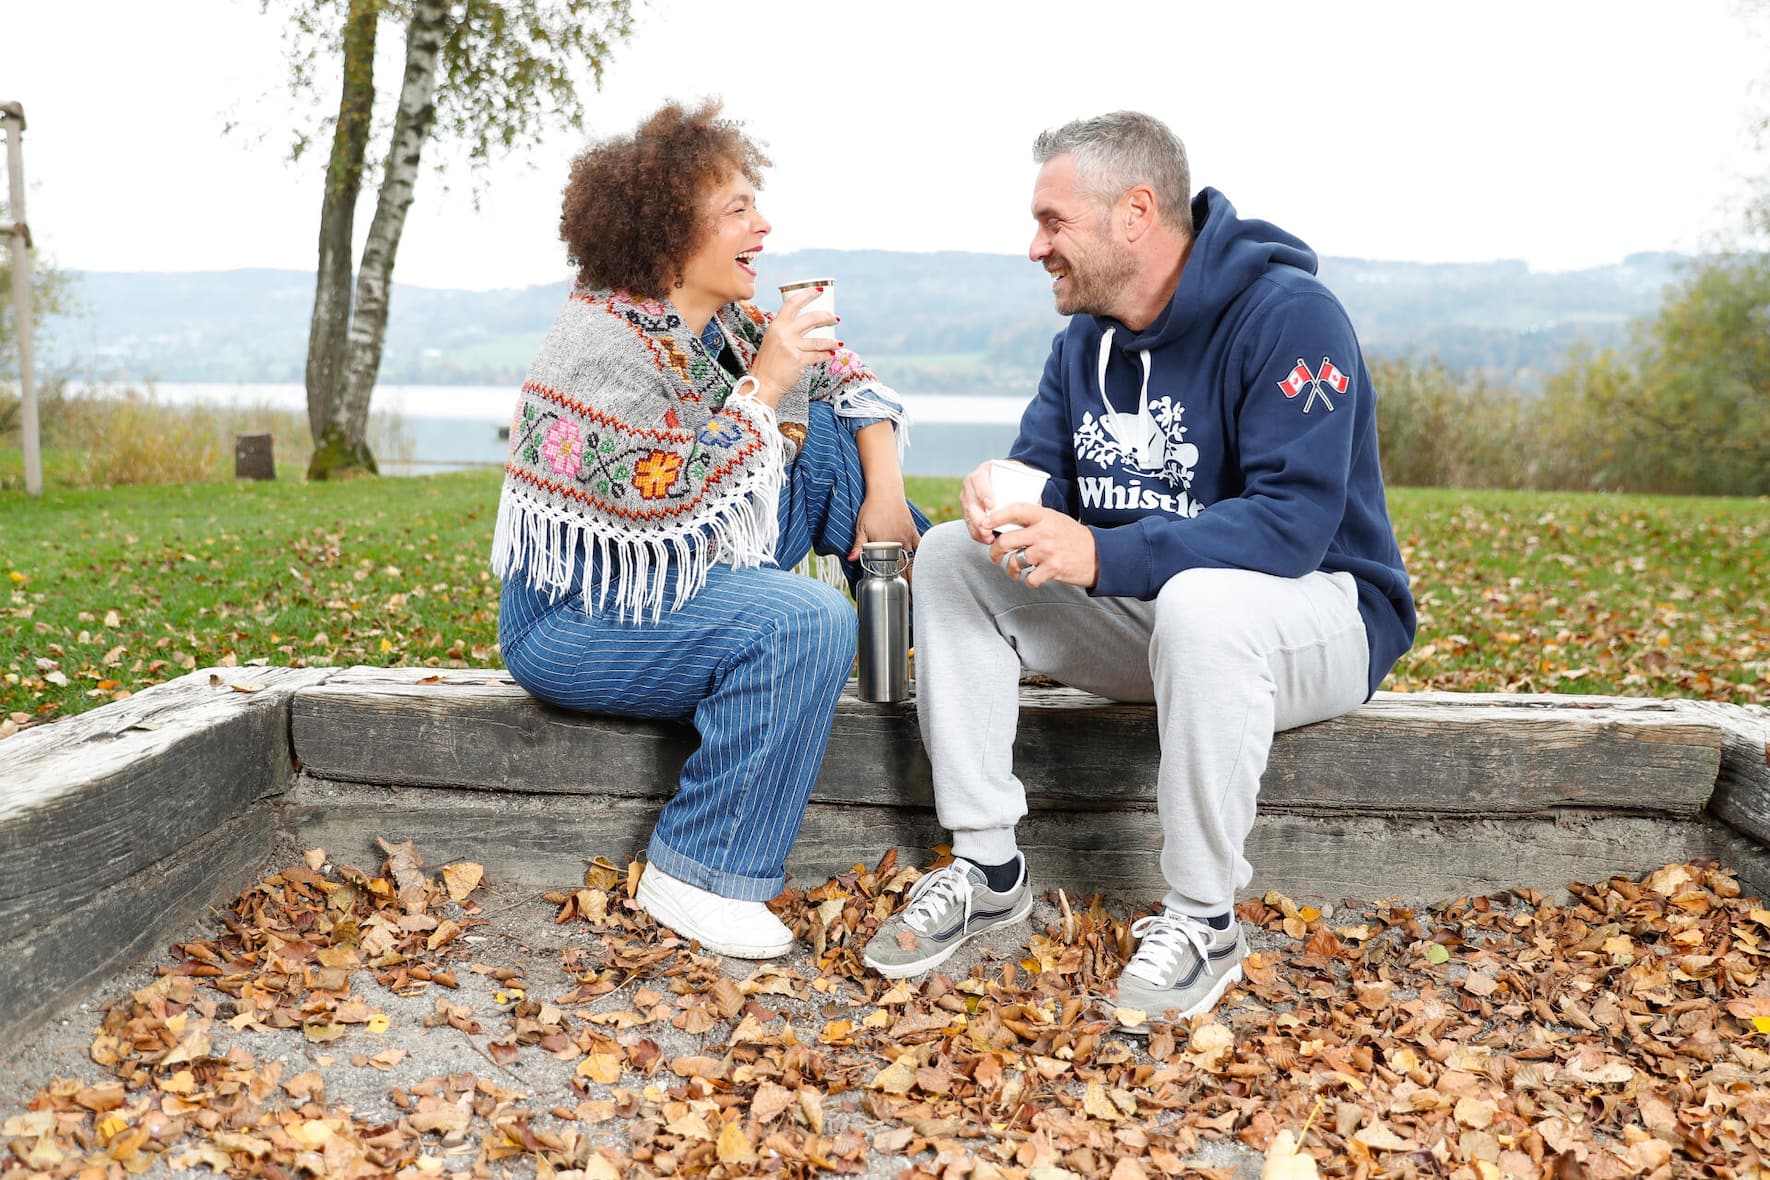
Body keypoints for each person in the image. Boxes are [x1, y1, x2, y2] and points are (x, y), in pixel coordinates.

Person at [861, 112, 1415, 1028]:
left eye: (1052, 221)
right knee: (957, 560)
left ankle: (1205, 920)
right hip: (1167, 619)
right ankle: (988, 866)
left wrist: (1102, 552)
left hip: (1326, 616)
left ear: (1135, 213)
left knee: (1204, 606)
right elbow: (1048, 492)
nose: (1035, 246)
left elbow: (1295, 526)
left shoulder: (1289, 319)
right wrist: (1003, 504)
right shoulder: (1085, 343)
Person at [492, 100, 926, 960]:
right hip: (580, 618)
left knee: (836, 445)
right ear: (667, 235)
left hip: (678, 574)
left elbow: (845, 379)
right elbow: (665, 500)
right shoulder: (600, 346)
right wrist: (765, 387)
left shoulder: (719, 324)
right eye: (736, 210)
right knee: (806, 619)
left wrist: (884, 491)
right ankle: (697, 870)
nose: (762, 226)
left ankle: (944, 619)